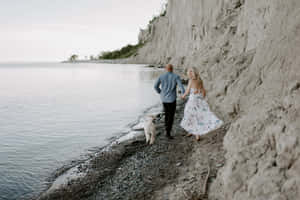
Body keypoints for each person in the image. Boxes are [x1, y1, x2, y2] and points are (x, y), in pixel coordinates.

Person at [180, 67, 223, 141]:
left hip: (192, 101)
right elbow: (203, 91)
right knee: (198, 115)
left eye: (190, 72)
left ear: (192, 73)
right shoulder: (200, 80)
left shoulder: (191, 81)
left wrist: (182, 96)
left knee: (190, 115)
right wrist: (202, 98)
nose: (189, 73)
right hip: (199, 100)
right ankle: (193, 132)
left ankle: (195, 133)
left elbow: (187, 91)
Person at [154, 64, 185, 139]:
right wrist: (183, 94)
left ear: (166, 69)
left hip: (164, 99)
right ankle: (168, 132)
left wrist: (160, 92)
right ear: (172, 69)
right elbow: (182, 88)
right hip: (172, 99)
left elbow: (155, 86)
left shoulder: (161, 76)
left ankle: (166, 129)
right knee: (171, 116)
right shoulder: (176, 76)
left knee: (166, 114)